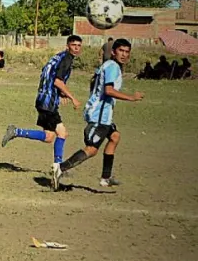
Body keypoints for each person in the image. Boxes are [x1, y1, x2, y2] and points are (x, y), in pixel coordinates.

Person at [54, 38, 143, 190]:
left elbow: (93, 81)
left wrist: (94, 98)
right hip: (99, 115)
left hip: (103, 113)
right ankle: (60, 168)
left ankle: (105, 178)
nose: (123, 54)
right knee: (91, 149)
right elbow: (108, 90)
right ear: (113, 52)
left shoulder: (108, 65)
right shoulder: (113, 67)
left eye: (127, 52)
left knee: (115, 137)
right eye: (120, 51)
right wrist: (131, 98)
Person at [1, 35, 82, 182]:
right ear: (68, 45)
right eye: (74, 45)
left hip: (42, 99)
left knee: (49, 137)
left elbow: (47, 74)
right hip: (48, 102)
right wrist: (72, 97)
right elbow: (57, 81)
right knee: (62, 133)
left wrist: (61, 93)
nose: (76, 48)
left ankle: (16, 131)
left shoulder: (57, 57)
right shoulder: (67, 59)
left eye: (78, 45)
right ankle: (58, 168)